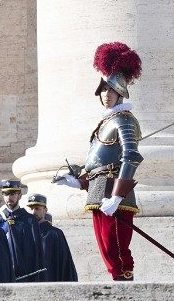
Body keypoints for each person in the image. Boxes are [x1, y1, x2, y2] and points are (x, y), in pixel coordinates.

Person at [54, 42, 143, 281]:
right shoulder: (105, 122)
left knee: (117, 249)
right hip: (98, 190)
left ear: (121, 92)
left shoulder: (123, 120)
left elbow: (131, 157)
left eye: (110, 90)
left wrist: (117, 196)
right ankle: (118, 284)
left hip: (114, 192)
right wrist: (77, 181)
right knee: (106, 248)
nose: (105, 95)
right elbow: (98, 164)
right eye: (103, 90)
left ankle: (125, 289)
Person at [0, 179, 45, 282]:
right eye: (6, 194)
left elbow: (36, 252)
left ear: (20, 196)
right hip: (1, 274)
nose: (9, 197)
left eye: (12, 194)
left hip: (25, 276)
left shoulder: (29, 220)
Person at [26, 194, 78, 282]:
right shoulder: (25, 233)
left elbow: (65, 264)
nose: (33, 212)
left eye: (37, 208)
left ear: (45, 210)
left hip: (51, 280)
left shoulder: (55, 234)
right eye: (31, 209)